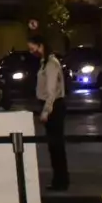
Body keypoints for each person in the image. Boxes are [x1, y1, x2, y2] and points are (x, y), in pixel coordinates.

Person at [30, 35, 69, 191]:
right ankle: (59, 179)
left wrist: (46, 110)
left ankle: (61, 180)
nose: (31, 51)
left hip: (54, 106)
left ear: (41, 45)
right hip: (51, 105)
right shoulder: (44, 63)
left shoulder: (51, 64)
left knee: (56, 145)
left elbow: (51, 90)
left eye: (33, 47)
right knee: (53, 146)